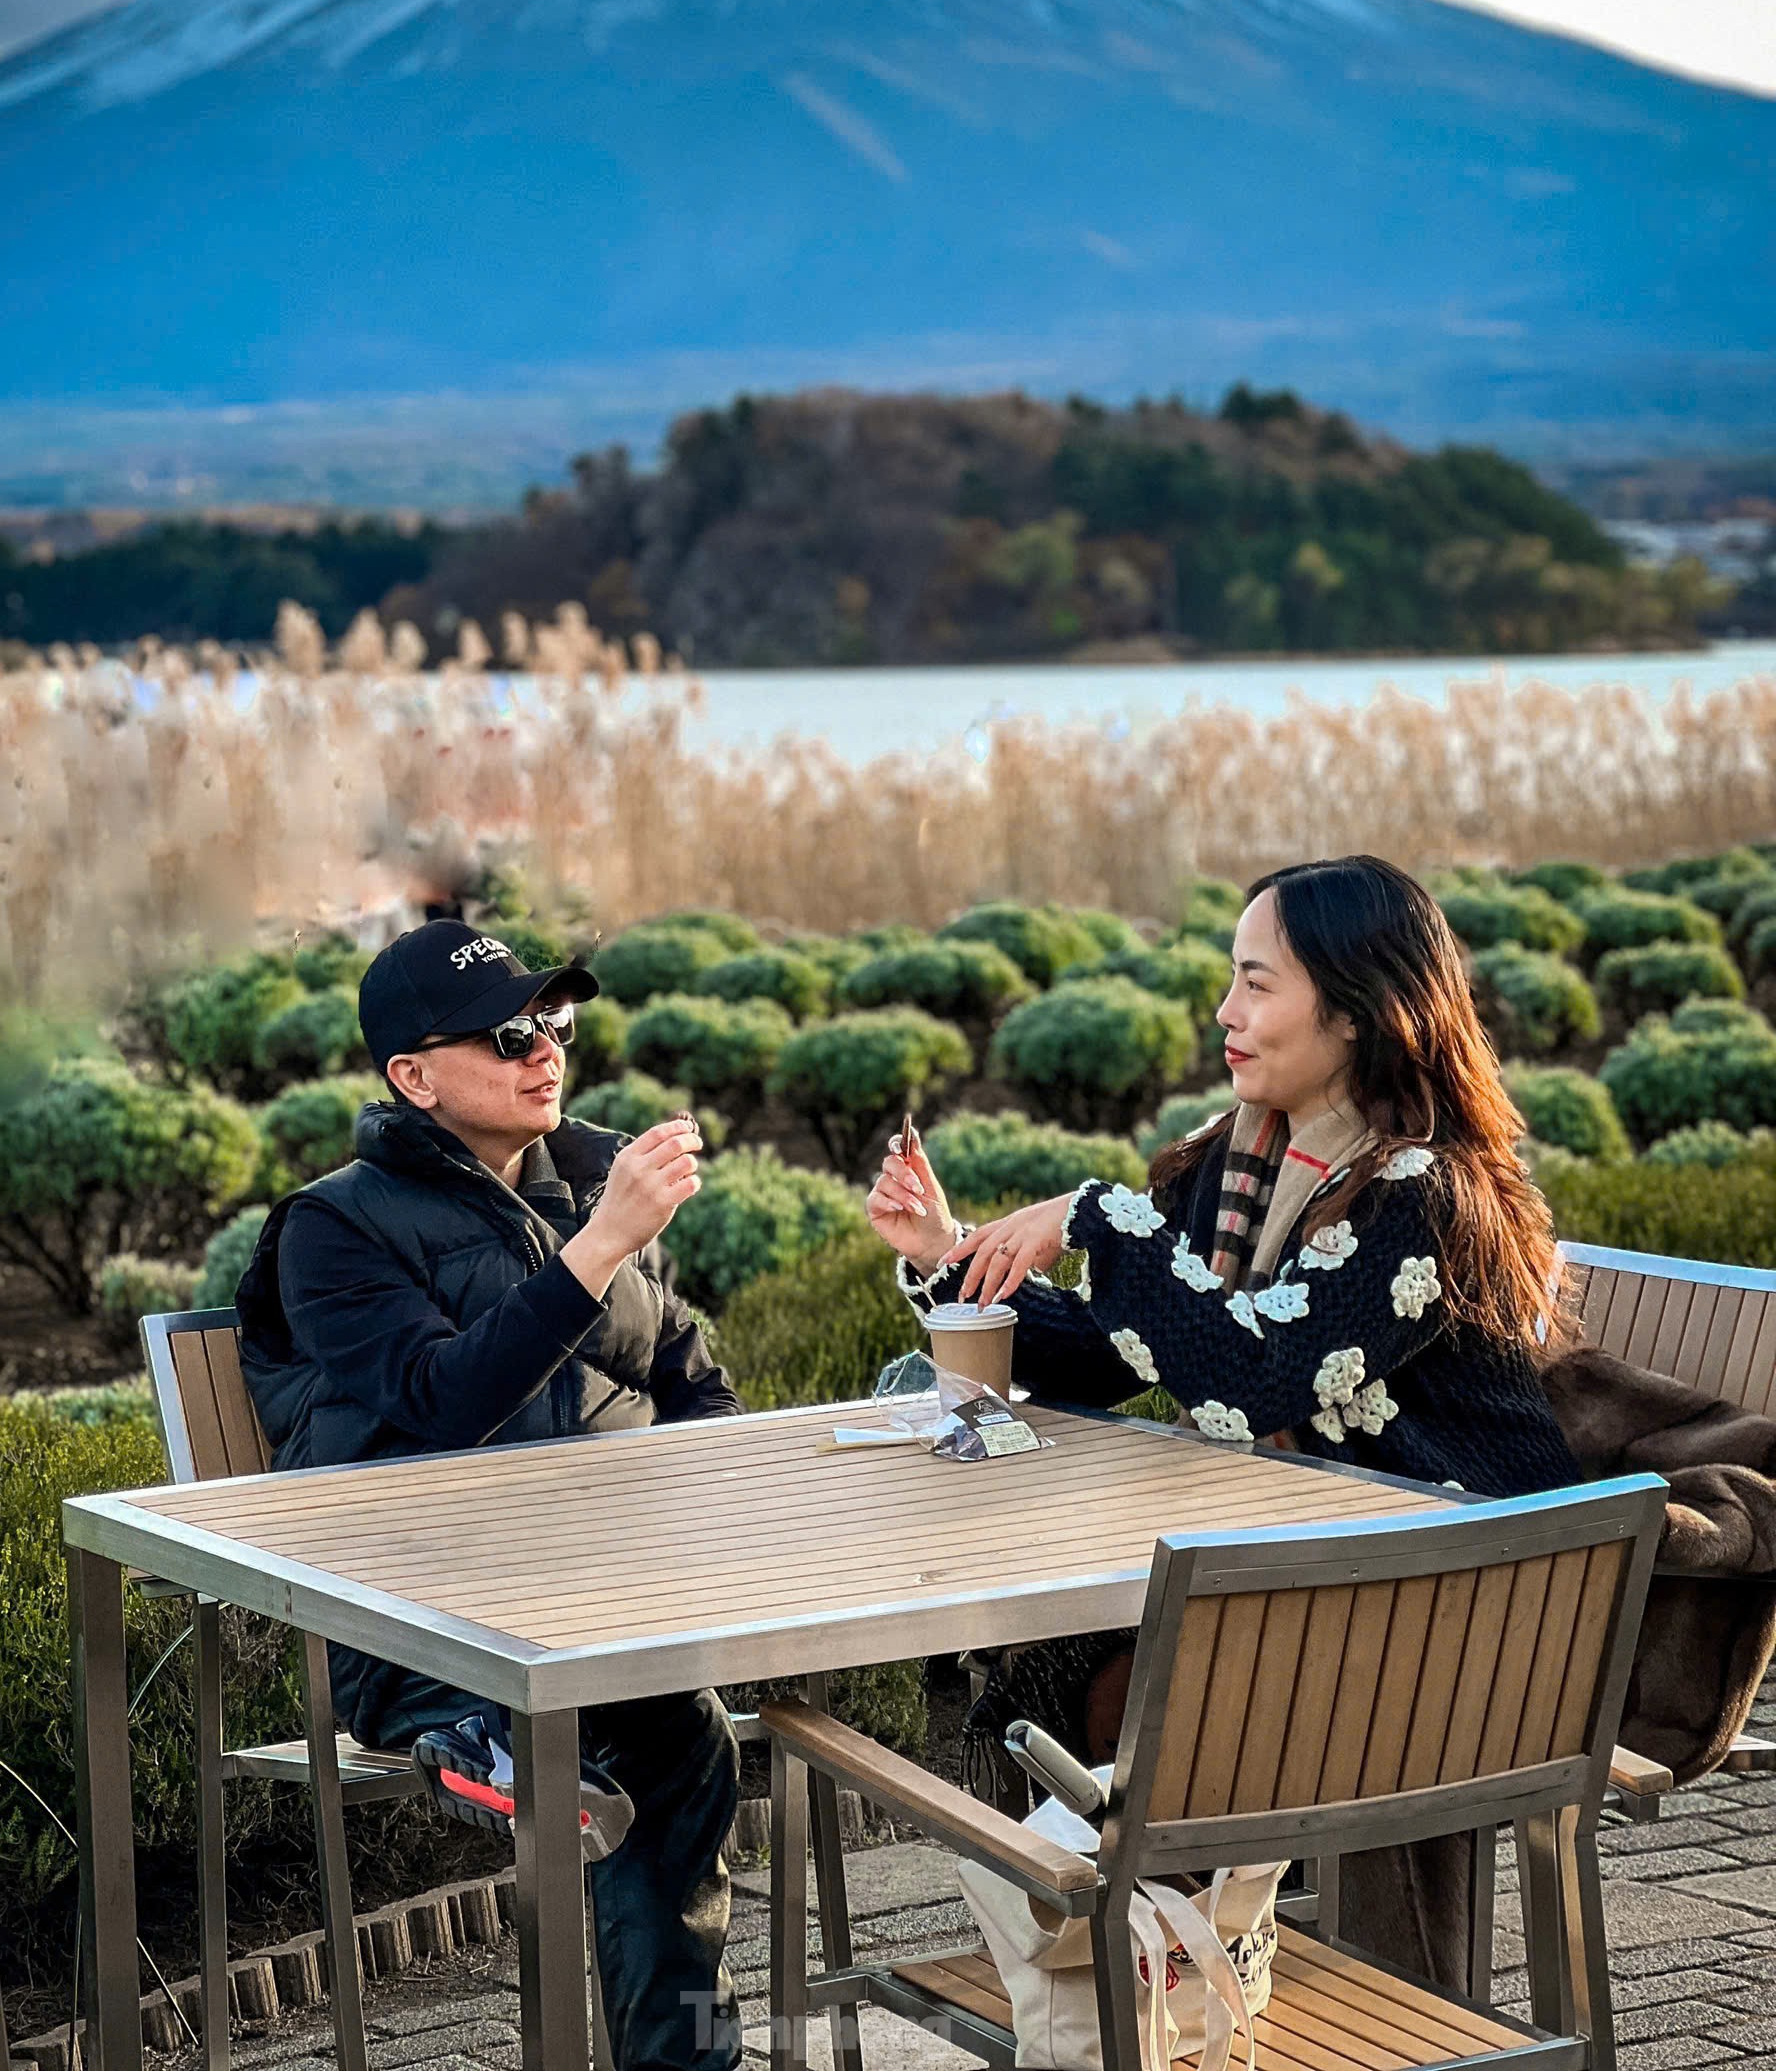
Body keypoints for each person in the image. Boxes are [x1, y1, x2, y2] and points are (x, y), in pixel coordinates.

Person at [238, 920, 744, 2071]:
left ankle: (688, 2053)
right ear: (412, 1077)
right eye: (510, 1032)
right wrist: (603, 1241)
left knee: (685, 1735)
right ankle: (482, 1735)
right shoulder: (332, 1227)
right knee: (636, 1739)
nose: (544, 1051)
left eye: (555, 1024)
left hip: (597, 1594)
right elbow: (442, 1397)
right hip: (414, 1608)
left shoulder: (581, 1182)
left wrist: (723, 1499)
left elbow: (688, 1368)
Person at [868, 853, 1578, 1506]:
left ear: (1357, 1011)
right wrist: (942, 1249)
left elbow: (1254, 1381)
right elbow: (1099, 1357)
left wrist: (1101, 1219)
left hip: (1471, 1578)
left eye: (1257, 983)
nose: (1225, 1011)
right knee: (1018, 1616)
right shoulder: (1238, 1162)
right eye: (1232, 977)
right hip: (1323, 1542)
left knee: (1040, 1624)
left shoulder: (1422, 1193)